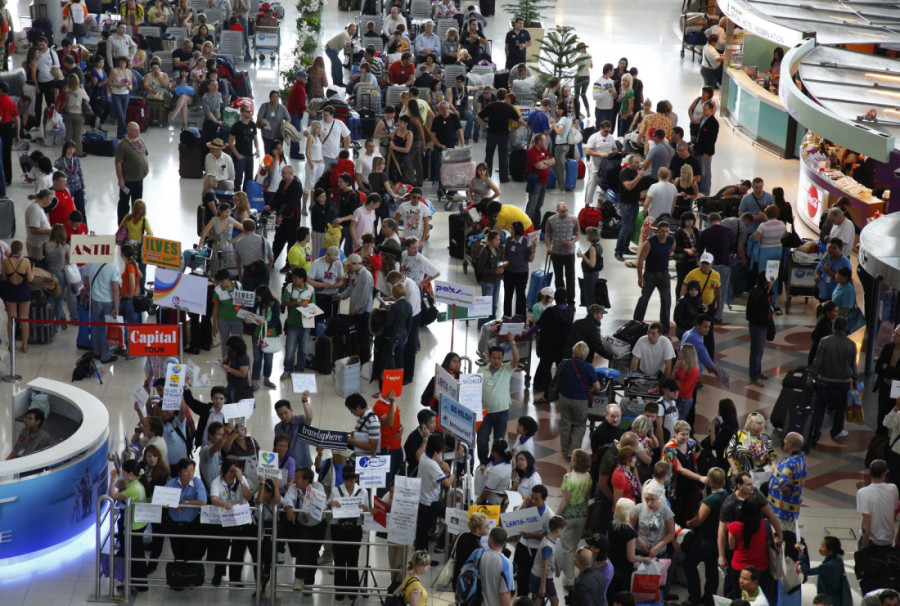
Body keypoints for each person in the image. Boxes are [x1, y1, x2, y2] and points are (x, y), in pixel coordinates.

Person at [808, 316, 858, 444]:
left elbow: (817, 361)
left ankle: (815, 433)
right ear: (845, 328)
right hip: (843, 383)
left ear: (833, 327)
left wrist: (811, 376)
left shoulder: (825, 341)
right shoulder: (851, 344)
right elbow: (853, 365)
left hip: (825, 381)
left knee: (819, 409)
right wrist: (855, 379)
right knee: (840, 409)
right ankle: (836, 431)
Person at [207, 457, 254, 586]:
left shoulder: (241, 479)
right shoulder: (217, 481)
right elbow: (214, 499)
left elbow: (248, 497)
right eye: (231, 471)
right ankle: (218, 574)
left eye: (235, 471)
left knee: (239, 550)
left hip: (240, 519)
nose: (233, 474)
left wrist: (241, 480)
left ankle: (236, 577)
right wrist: (223, 504)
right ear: (224, 471)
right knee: (221, 548)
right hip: (224, 519)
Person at [684, 466, 726, 606]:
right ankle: (709, 598)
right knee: (712, 568)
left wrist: (689, 523)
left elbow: (699, 519)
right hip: (716, 538)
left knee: (689, 564)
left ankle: (694, 597)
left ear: (709, 481)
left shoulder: (709, 501)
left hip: (704, 539)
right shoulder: (725, 494)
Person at [476, 334, 520, 464]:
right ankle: (483, 463)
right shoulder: (481, 370)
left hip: (501, 411)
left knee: (499, 440)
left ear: (502, 359)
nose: (496, 361)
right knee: (482, 439)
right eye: (494, 358)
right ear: (489, 357)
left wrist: (512, 342)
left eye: (499, 358)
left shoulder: (507, 369)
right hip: (484, 412)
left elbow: (516, 359)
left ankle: (496, 462)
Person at [328, 464, 369, 598]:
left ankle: (352, 591)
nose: (349, 483)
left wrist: (365, 508)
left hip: (354, 529)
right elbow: (327, 506)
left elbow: (367, 513)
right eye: (346, 480)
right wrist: (331, 504)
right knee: (339, 559)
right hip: (338, 528)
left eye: (351, 480)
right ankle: (339, 591)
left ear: (355, 479)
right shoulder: (336, 491)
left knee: (353, 559)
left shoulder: (363, 492)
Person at [556, 342, 601, 459]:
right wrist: (591, 389)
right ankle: (573, 452)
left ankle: (564, 451)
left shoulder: (564, 363)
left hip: (564, 397)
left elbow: (558, 376)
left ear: (573, 351)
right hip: (580, 400)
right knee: (580, 425)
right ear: (586, 354)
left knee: (565, 423)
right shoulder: (589, 367)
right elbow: (597, 387)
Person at [630, 482, 676, 594]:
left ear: (658, 497)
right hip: (640, 551)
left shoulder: (666, 511)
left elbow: (671, 533)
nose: (649, 503)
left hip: (658, 553)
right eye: (647, 499)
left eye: (652, 500)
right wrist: (638, 539)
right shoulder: (639, 509)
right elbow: (630, 528)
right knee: (638, 583)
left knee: (656, 583)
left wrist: (658, 547)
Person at [477, 88, 526, 183]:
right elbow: (520, 120)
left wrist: (484, 126)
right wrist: (528, 125)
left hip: (491, 134)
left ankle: (487, 176)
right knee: (503, 156)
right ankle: (503, 178)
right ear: (505, 97)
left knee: (489, 156)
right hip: (503, 135)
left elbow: (478, 117)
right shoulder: (509, 108)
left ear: (496, 96)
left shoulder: (491, 106)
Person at [415, 433, 455, 550]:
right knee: (452, 517)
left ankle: (421, 555)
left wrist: (440, 461)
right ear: (437, 451)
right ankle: (441, 544)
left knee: (422, 531)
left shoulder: (424, 456)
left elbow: (446, 468)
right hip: (430, 502)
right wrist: (452, 476)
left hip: (422, 498)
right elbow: (447, 482)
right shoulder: (432, 464)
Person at [634, 220, 674, 332]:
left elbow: (671, 249)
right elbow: (640, 261)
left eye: (667, 231)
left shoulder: (671, 240)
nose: (665, 234)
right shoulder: (649, 243)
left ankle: (665, 329)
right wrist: (640, 277)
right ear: (657, 231)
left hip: (664, 275)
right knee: (644, 300)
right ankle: (636, 324)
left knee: (666, 301)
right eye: (662, 231)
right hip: (650, 275)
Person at [858, 459, 898, 548]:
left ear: (870, 473)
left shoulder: (863, 493)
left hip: (871, 539)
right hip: (887, 538)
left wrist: (864, 544)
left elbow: (866, 519)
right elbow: (894, 512)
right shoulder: (893, 489)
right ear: (884, 473)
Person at [114, 122, 149, 224]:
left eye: (138, 130)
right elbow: (118, 163)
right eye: (135, 130)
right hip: (128, 181)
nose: (138, 132)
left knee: (137, 202)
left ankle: (136, 222)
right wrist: (120, 179)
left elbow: (145, 155)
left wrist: (146, 167)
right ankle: (122, 223)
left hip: (139, 179)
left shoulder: (140, 141)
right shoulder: (123, 145)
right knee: (124, 203)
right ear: (128, 131)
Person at [797, 536, 848, 606]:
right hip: (836, 597)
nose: (820, 549)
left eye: (823, 547)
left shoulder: (828, 566)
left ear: (830, 551)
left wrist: (801, 554)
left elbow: (807, 571)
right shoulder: (838, 559)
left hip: (828, 600)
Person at [545, 202, 579, 305]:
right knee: (558, 278)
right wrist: (548, 247)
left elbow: (577, 234)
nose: (565, 213)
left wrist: (572, 242)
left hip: (569, 254)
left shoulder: (574, 219)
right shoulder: (551, 220)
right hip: (556, 253)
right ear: (557, 211)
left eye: (566, 211)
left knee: (570, 278)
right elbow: (547, 235)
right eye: (562, 211)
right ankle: (561, 299)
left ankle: (570, 300)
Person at [615, 154, 646, 262]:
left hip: (634, 204)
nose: (638, 164)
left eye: (639, 162)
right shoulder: (624, 173)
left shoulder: (636, 172)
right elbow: (628, 186)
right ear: (630, 163)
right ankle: (618, 251)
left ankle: (625, 247)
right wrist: (639, 177)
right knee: (625, 228)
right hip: (626, 204)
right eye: (636, 162)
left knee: (631, 227)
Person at [234, 219, 274, 294]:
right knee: (263, 294)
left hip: (248, 272)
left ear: (244, 228)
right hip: (263, 270)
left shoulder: (239, 243)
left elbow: (238, 262)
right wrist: (268, 268)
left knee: (248, 295)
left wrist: (240, 276)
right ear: (255, 228)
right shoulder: (264, 240)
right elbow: (271, 258)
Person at [525, 133, 555, 226]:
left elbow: (553, 161)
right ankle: (527, 224)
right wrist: (546, 163)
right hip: (536, 182)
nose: (546, 142)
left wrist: (543, 162)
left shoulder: (543, 150)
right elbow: (539, 166)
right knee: (532, 204)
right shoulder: (531, 151)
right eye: (544, 140)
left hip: (544, 182)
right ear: (539, 142)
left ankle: (536, 224)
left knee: (539, 204)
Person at [228, 104, 260, 192]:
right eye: (247, 112)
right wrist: (237, 155)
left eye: (250, 112)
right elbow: (230, 141)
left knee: (249, 177)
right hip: (240, 154)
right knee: (238, 177)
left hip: (250, 154)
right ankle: (237, 194)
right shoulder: (236, 126)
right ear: (242, 113)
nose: (249, 113)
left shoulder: (252, 125)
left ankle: (246, 195)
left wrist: (257, 150)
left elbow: (255, 139)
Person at [693, 101, 718, 195]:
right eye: (703, 109)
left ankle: (705, 191)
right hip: (699, 149)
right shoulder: (703, 118)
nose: (703, 111)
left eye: (705, 109)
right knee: (699, 169)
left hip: (705, 152)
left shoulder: (713, 123)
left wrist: (707, 152)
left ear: (711, 110)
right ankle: (699, 188)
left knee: (705, 171)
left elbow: (712, 140)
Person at [577, 226, 604, 308]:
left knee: (589, 296)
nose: (586, 236)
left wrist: (582, 255)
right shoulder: (598, 245)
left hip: (590, 274)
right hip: (594, 273)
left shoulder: (593, 248)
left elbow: (592, 264)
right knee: (592, 294)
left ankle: (591, 312)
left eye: (587, 234)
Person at [220, 334, 251, 403]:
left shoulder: (244, 357)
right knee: (227, 403)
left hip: (240, 387)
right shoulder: (231, 353)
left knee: (236, 405)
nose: (230, 349)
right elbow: (224, 360)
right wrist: (222, 362)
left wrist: (229, 369)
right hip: (231, 384)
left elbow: (243, 374)